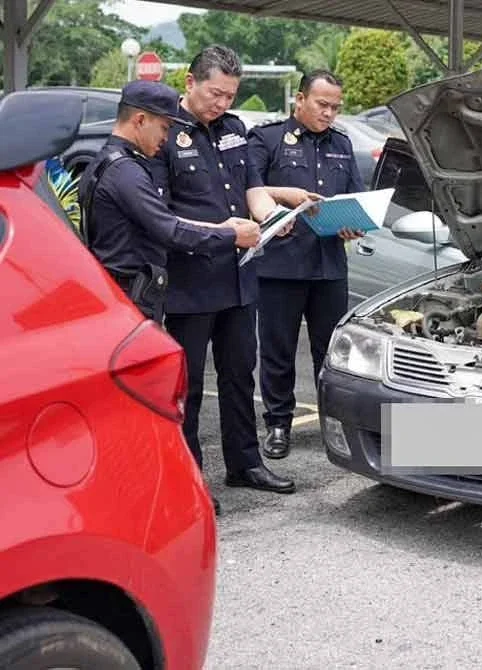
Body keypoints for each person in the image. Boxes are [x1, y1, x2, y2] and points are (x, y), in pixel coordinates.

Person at [148, 45, 304, 508]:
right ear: (189, 82)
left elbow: (251, 187)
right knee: (190, 385)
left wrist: (271, 214)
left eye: (230, 95)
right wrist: (225, 232)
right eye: (215, 93)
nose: (222, 104)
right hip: (190, 282)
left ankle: (245, 462)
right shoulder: (165, 133)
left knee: (239, 374)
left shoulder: (235, 130)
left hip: (239, 278)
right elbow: (163, 215)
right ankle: (189, 478)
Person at [246, 70, 366, 459]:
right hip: (281, 266)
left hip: (328, 265)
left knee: (330, 351)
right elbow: (249, 189)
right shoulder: (267, 139)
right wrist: (284, 197)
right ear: (299, 100)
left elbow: (355, 198)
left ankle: (334, 422)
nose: (329, 113)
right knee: (278, 350)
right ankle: (278, 424)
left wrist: (355, 225)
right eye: (322, 105)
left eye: (335, 107)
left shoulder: (342, 145)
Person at [78, 79, 261, 325]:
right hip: (130, 294)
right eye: (164, 128)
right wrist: (230, 236)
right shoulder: (125, 172)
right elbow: (170, 231)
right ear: (140, 120)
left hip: (124, 291)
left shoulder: (109, 161)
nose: (167, 137)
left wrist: (219, 229)